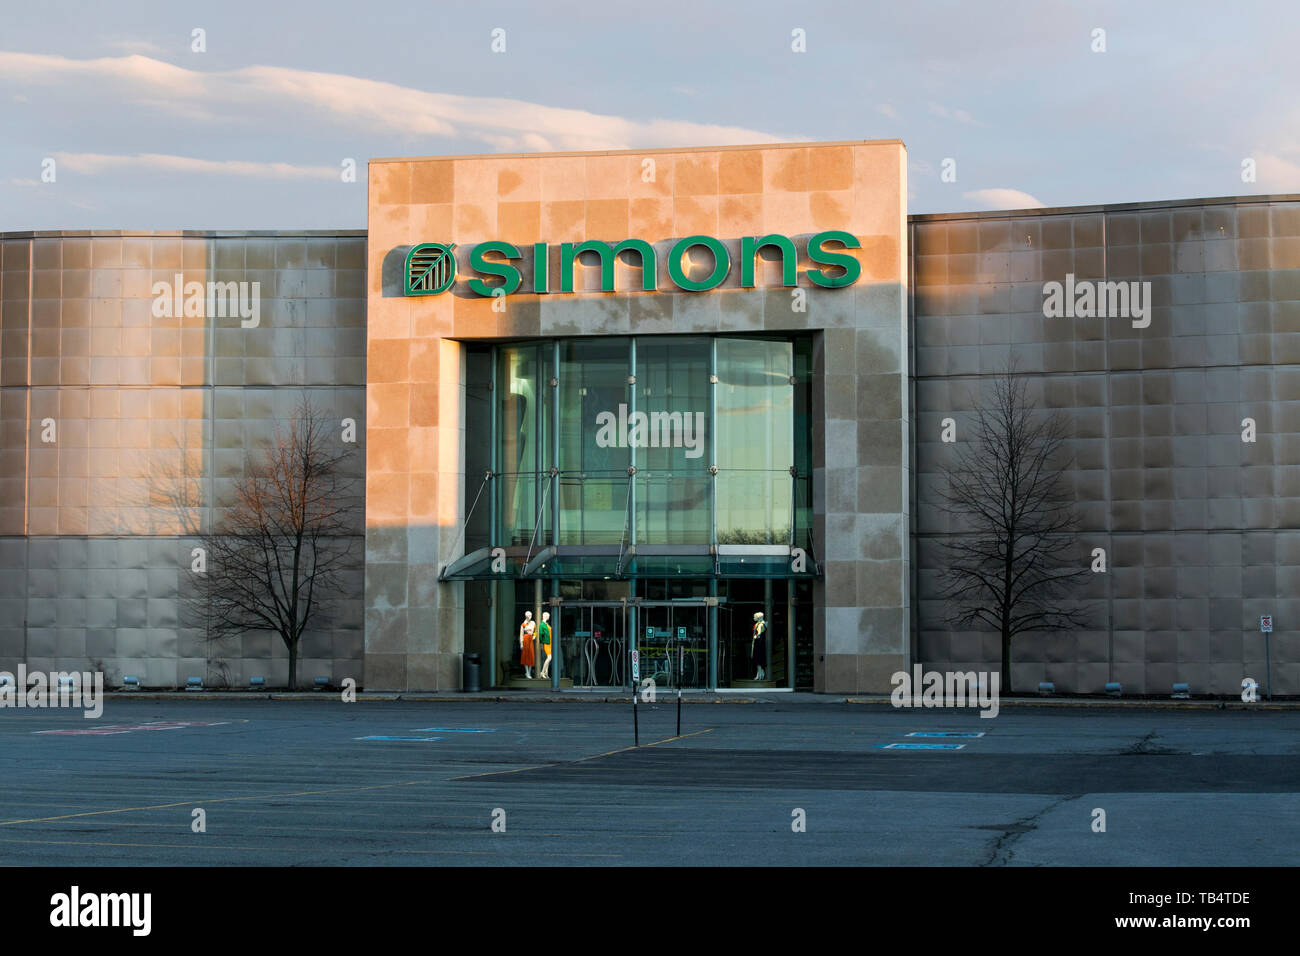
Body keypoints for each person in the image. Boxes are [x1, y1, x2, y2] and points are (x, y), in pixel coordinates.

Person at [519, 611, 536, 678]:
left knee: (531, 655)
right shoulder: (523, 624)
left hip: (530, 640)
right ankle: (527, 672)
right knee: (525, 656)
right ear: (525, 616)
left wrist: (534, 635)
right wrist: (521, 643)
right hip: (525, 640)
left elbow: (535, 631)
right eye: (528, 615)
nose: (529, 616)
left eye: (530, 615)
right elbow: (521, 635)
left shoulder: (533, 623)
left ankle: (529, 672)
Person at [751, 612, 767, 681]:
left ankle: (760, 674)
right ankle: (760, 673)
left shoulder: (761, 624)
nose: (754, 618)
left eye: (755, 617)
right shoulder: (758, 624)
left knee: (758, 658)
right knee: (757, 659)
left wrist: (756, 636)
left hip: (759, 643)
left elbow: (759, 633)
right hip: (758, 643)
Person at [538, 611, 553, 679]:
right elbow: (540, 635)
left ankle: (546, 673)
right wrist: (541, 643)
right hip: (546, 643)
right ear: (546, 616)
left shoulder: (546, 624)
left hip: (550, 643)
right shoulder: (542, 625)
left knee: (548, 658)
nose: (549, 618)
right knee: (549, 658)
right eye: (548, 616)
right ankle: (542, 672)